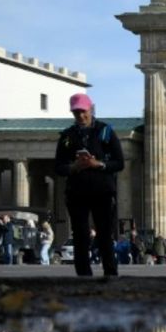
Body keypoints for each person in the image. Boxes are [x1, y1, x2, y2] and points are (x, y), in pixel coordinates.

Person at [55, 92, 124, 278]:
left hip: (102, 190)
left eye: (83, 111)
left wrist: (98, 164)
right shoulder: (67, 136)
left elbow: (119, 163)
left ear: (91, 109)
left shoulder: (105, 131)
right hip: (77, 191)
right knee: (80, 234)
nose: (80, 116)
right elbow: (58, 167)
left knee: (104, 234)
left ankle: (111, 273)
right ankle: (84, 275)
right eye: (76, 112)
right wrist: (73, 167)